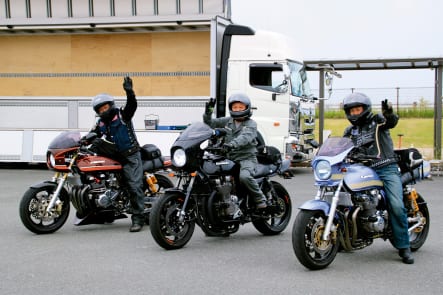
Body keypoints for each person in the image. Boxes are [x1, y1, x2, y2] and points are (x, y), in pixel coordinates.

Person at [342, 92, 414, 264]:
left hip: (385, 168)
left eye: (358, 109)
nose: (355, 113)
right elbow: (341, 148)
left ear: (365, 109)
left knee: (396, 205)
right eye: (351, 110)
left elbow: (391, 122)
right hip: (361, 170)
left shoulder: (377, 121)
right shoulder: (350, 130)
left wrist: (389, 113)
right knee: (344, 199)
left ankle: (404, 246)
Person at [86, 76, 145, 232]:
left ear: (110, 105)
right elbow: (91, 135)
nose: (103, 111)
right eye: (100, 109)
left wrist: (129, 92)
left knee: (133, 186)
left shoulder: (122, 115)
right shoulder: (100, 123)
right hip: (115, 155)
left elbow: (132, 105)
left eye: (105, 107)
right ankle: (103, 209)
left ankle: (138, 217)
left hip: (131, 155)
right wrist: (81, 142)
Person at [203, 93, 267, 209]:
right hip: (230, 157)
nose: (237, 110)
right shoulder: (228, 121)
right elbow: (210, 123)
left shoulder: (251, 124)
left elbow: (245, 138)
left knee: (244, 177)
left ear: (247, 108)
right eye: (235, 107)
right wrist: (209, 111)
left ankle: (259, 199)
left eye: (240, 107)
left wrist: (231, 144)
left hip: (246, 157)